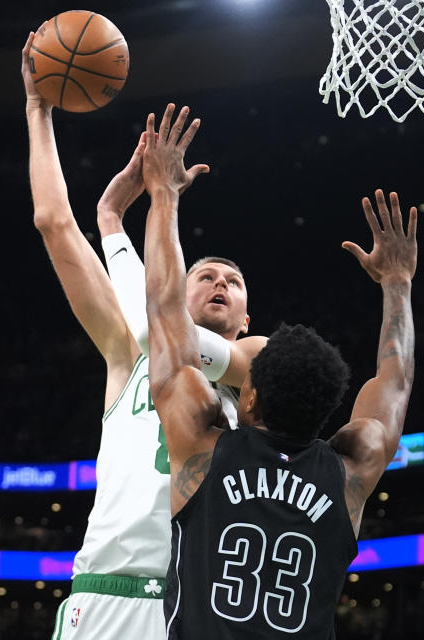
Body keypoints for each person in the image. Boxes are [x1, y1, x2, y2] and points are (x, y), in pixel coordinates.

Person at [19, 33, 265, 640]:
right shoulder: (127, 358)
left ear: (245, 319)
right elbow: (52, 222)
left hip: (194, 606)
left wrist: (159, 203)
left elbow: (174, 333)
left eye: (233, 284)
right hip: (101, 598)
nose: (219, 284)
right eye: (205, 275)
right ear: (172, 289)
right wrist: (39, 109)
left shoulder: (259, 371)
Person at [140, 102, 417, 638]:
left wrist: (164, 195)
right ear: (330, 412)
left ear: (248, 397)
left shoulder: (202, 444)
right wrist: (399, 285)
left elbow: (162, 307)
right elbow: (395, 382)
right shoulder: (349, 472)